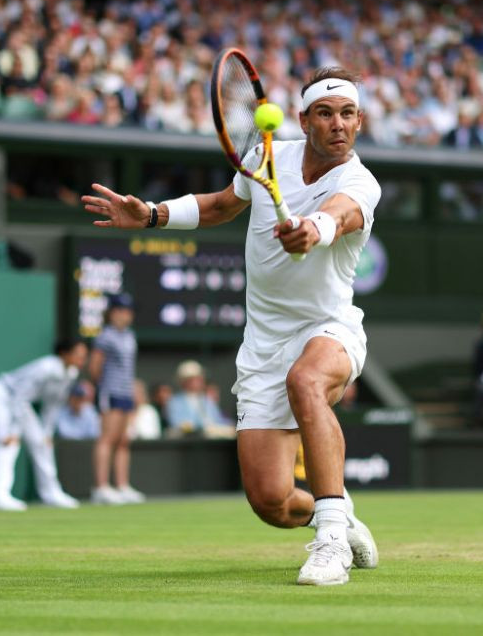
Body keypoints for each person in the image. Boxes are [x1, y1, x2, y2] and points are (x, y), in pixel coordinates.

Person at [81, 67, 380, 586]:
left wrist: (311, 229)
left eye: (348, 114)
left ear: (360, 122)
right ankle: (337, 513)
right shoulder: (269, 157)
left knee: (306, 381)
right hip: (264, 345)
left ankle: (330, 540)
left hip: (329, 329)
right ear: (305, 120)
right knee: (271, 501)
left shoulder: (360, 181)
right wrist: (152, 214)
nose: (338, 124)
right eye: (326, 114)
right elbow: (221, 206)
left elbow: (340, 214)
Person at [0, 339, 87, 510]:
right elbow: (19, 395)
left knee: (42, 443)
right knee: (8, 442)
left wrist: (47, 432)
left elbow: (53, 404)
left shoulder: (71, 374)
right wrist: (13, 430)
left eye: (83, 356)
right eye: (78, 355)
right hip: (0, 396)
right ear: (64, 354)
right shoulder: (45, 368)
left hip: (21, 404)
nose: (82, 360)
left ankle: (51, 493)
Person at [88, 293, 145, 505]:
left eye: (129, 311)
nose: (126, 315)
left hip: (125, 393)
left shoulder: (130, 336)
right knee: (107, 438)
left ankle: (122, 485)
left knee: (123, 441)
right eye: (121, 311)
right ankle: (101, 487)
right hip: (110, 393)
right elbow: (95, 366)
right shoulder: (105, 336)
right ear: (112, 313)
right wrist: (103, 387)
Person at [164, 360, 232, 437]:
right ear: (184, 382)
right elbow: (177, 423)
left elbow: (218, 419)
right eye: (194, 379)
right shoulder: (174, 402)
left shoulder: (207, 400)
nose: (199, 382)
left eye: (200, 378)